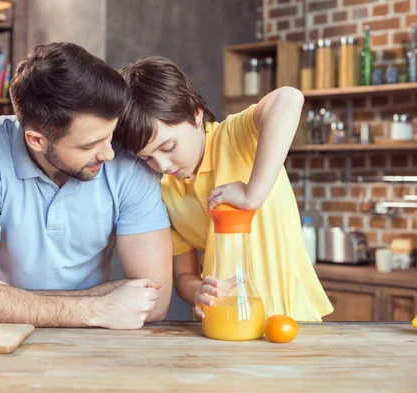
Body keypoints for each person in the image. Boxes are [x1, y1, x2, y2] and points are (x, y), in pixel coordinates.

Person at [0, 43, 173, 329]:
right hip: (8, 337)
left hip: (95, 341)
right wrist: (98, 309)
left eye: (109, 135)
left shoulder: (130, 157)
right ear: (36, 140)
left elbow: (154, 300)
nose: (109, 153)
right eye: (89, 145)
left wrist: (2, 300)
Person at [113, 56, 333, 321]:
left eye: (168, 147)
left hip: (292, 319)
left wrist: (253, 194)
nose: (162, 164)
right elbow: (185, 275)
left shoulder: (234, 137)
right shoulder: (164, 192)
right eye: (146, 157)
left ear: (196, 113)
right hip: (225, 325)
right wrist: (200, 292)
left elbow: (288, 99)